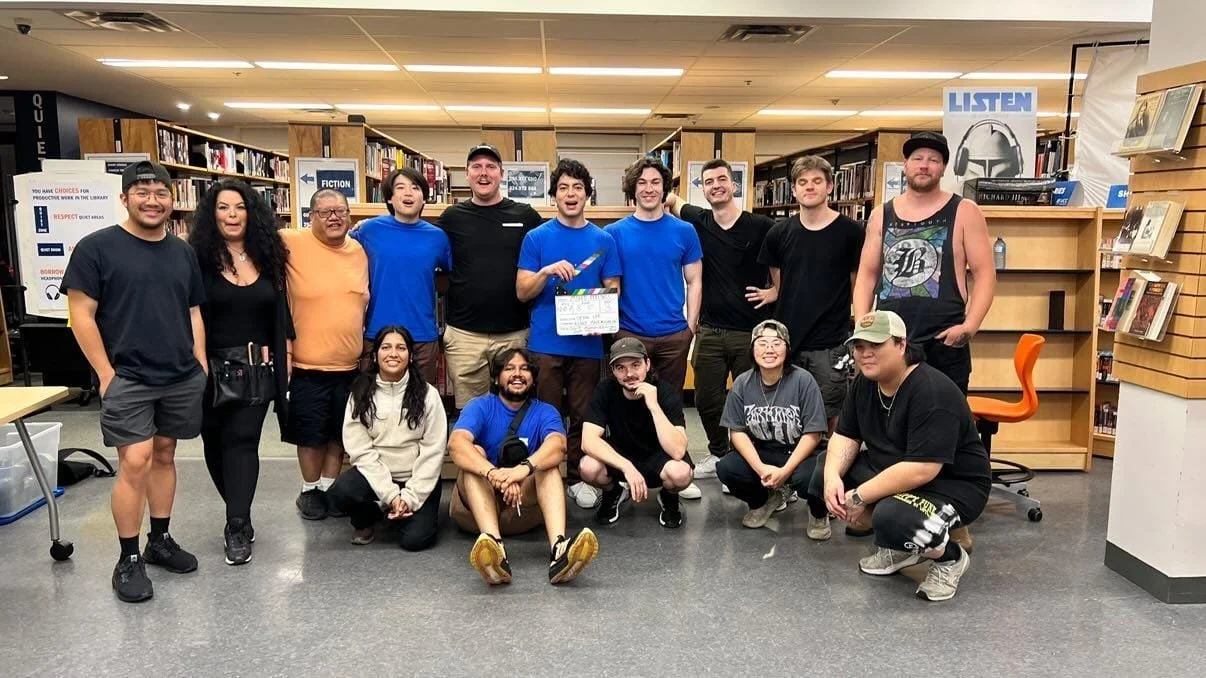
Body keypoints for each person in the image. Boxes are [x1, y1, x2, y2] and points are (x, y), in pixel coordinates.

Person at [62, 161, 208, 603]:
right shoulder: (96, 248)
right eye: (141, 192)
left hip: (180, 374)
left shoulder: (183, 251)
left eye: (161, 192)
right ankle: (127, 558)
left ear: (171, 199)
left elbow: (193, 310)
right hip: (128, 375)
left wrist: (199, 362)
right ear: (124, 198)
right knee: (135, 461)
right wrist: (105, 374)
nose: (152, 200)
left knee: (165, 453)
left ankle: (158, 539)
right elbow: (80, 316)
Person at [814, 311, 991, 602]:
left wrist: (859, 496)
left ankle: (949, 558)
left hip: (952, 486)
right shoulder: (864, 383)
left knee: (891, 517)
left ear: (901, 345)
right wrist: (832, 477)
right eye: (859, 347)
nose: (865, 354)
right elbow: (845, 436)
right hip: (899, 470)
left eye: (876, 345)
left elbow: (922, 470)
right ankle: (901, 547)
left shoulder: (931, 390)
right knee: (821, 468)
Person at [187, 178, 293, 566]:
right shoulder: (196, 258)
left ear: (252, 214)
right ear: (211, 215)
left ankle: (236, 524)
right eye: (223, 208)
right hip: (208, 367)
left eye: (239, 208)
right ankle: (238, 511)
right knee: (214, 444)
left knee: (243, 440)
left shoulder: (270, 255)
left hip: (256, 369)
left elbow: (281, 315)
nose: (232, 215)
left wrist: (287, 361)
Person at [854, 132, 996, 394]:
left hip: (944, 341)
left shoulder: (965, 211)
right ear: (905, 164)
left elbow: (985, 274)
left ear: (943, 168)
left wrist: (970, 326)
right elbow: (867, 274)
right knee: (888, 421)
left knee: (944, 422)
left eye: (933, 159)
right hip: (888, 340)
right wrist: (862, 324)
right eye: (917, 158)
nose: (924, 165)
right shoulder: (880, 215)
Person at [517, 158, 621, 511]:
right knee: (544, 414)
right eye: (564, 187)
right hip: (545, 343)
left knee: (582, 415)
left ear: (587, 194)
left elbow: (614, 287)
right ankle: (545, 475)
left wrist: (599, 295)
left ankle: (577, 477)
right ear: (554, 195)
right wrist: (545, 272)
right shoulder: (536, 238)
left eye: (578, 187)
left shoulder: (603, 239)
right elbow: (522, 291)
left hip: (588, 343)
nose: (571, 194)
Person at [447, 348, 599, 586]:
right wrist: (493, 473)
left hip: (522, 510)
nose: (517, 374)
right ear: (497, 378)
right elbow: (456, 445)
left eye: (524, 369)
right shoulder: (480, 406)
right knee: (473, 453)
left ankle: (559, 549)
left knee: (548, 466)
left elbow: (559, 446)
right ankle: (494, 549)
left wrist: (522, 471)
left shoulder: (545, 412)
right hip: (474, 510)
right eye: (509, 368)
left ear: (533, 377)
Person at [665, 159, 776, 481]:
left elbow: (783, 264)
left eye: (722, 179)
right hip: (710, 330)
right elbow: (672, 200)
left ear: (734, 185)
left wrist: (775, 292)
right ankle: (717, 454)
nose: (716, 185)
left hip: (750, 331)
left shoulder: (761, 226)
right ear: (703, 188)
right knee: (707, 399)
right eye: (709, 181)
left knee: (750, 402)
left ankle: (744, 463)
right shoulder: (698, 221)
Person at [606, 157, 703, 499]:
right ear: (633, 190)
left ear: (665, 189)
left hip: (674, 333)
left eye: (655, 182)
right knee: (630, 404)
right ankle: (626, 470)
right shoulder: (614, 233)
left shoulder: (684, 231)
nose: (649, 189)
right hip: (630, 335)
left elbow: (694, 280)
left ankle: (676, 470)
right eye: (642, 183)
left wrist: (690, 326)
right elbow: (610, 284)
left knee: (670, 404)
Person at [758, 155, 865, 433]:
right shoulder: (778, 233)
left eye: (817, 181)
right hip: (788, 340)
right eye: (802, 182)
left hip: (830, 342)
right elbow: (780, 283)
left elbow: (858, 283)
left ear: (830, 186)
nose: (809, 187)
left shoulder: (852, 232)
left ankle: (830, 469)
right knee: (787, 410)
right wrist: (773, 293)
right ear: (793, 189)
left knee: (831, 411)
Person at [280, 189, 370, 520]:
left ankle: (330, 488)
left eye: (340, 211)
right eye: (324, 212)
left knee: (339, 433)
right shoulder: (291, 242)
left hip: (349, 366)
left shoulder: (359, 250)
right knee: (311, 433)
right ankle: (310, 489)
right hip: (306, 365)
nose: (333, 217)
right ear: (310, 217)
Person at [438, 144, 544, 410]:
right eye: (476, 167)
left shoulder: (526, 216)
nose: (483, 173)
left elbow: (555, 243)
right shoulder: (452, 218)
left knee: (516, 407)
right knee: (470, 412)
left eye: (490, 167)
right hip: (465, 336)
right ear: (467, 173)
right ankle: (474, 454)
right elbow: (418, 239)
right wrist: (367, 226)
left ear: (502, 173)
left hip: (515, 334)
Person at [327, 326, 447, 551]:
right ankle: (371, 517)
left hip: (417, 477)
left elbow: (433, 451)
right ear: (375, 355)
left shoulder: (428, 394)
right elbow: (361, 451)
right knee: (339, 494)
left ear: (410, 356)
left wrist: (409, 497)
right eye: (386, 347)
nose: (393, 354)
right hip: (377, 475)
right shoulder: (360, 393)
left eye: (401, 348)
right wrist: (391, 495)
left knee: (414, 541)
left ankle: (402, 512)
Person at [715, 320, 829, 536]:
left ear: (787, 348)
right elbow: (736, 432)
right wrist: (760, 468)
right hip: (764, 451)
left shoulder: (804, 381)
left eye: (776, 343)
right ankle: (765, 500)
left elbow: (813, 433)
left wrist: (785, 472)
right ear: (752, 349)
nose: (769, 349)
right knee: (727, 468)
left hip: (802, 453)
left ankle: (818, 512)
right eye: (762, 343)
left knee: (814, 476)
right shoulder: (742, 382)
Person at [351, 167, 451, 385]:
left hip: (422, 334)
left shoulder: (438, 237)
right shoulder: (369, 229)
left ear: (424, 198)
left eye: (415, 188)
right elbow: (340, 253)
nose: (408, 193)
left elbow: (450, 275)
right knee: (373, 402)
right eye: (400, 187)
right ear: (389, 197)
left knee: (421, 404)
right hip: (377, 332)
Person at [580, 337, 693, 528]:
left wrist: (654, 405)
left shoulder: (664, 391)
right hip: (621, 455)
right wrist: (627, 467)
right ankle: (613, 492)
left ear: (647, 364)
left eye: (635, 365)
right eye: (621, 368)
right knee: (588, 467)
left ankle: (669, 497)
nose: (629, 373)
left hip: (658, 456)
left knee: (681, 473)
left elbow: (678, 451)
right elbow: (588, 441)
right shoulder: (605, 390)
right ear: (613, 371)